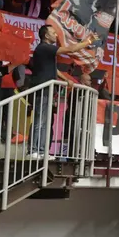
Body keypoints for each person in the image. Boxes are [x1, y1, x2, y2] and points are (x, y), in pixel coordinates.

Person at [29, 27, 97, 159]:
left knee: (46, 121)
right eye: (53, 32)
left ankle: (42, 150)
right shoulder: (44, 47)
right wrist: (89, 41)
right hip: (41, 88)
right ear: (46, 35)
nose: (55, 34)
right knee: (40, 120)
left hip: (48, 89)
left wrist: (66, 79)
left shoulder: (47, 51)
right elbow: (71, 50)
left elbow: (54, 69)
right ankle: (33, 149)